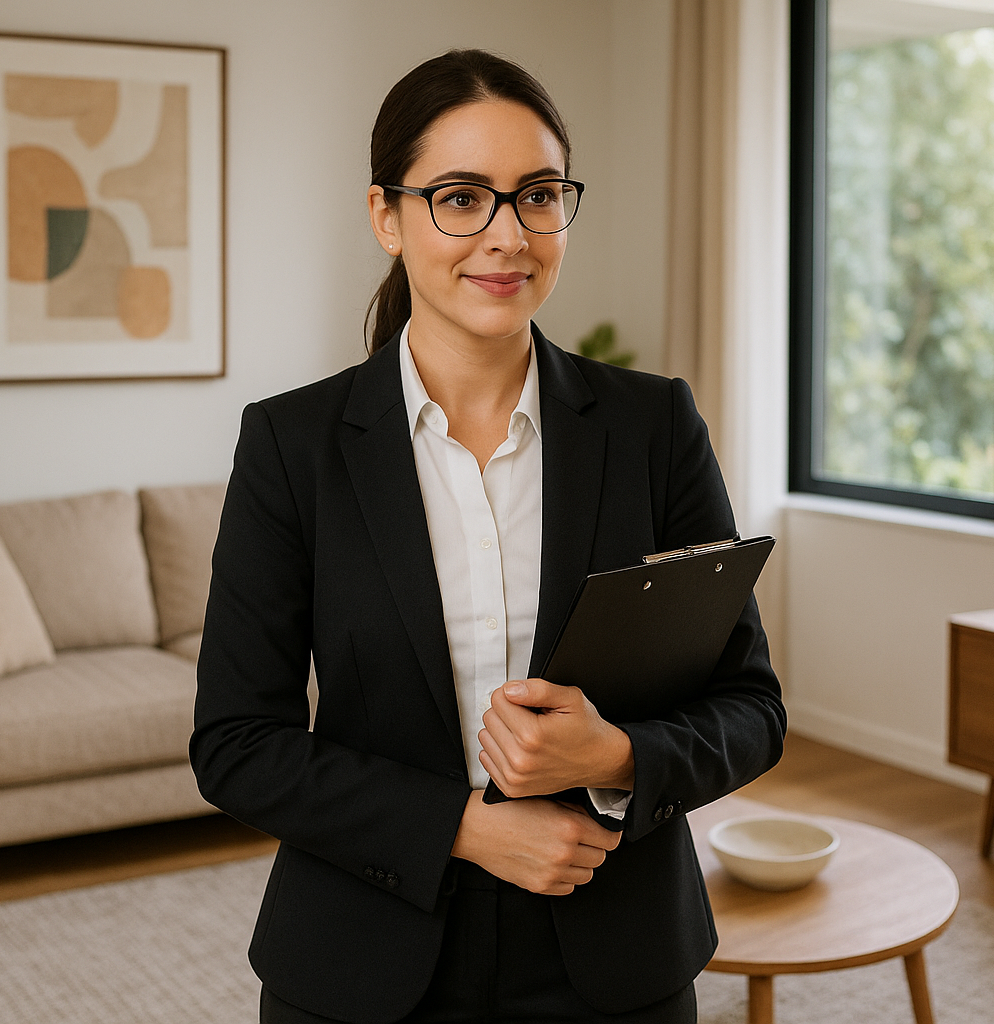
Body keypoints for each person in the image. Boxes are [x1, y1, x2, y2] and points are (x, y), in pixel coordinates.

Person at [191, 48, 785, 1024]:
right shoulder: (293, 445)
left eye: (538, 195)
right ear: (387, 216)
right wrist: (462, 828)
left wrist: (615, 758)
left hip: (615, 954)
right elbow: (237, 744)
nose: (508, 235)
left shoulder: (653, 427)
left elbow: (751, 708)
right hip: (362, 956)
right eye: (461, 198)